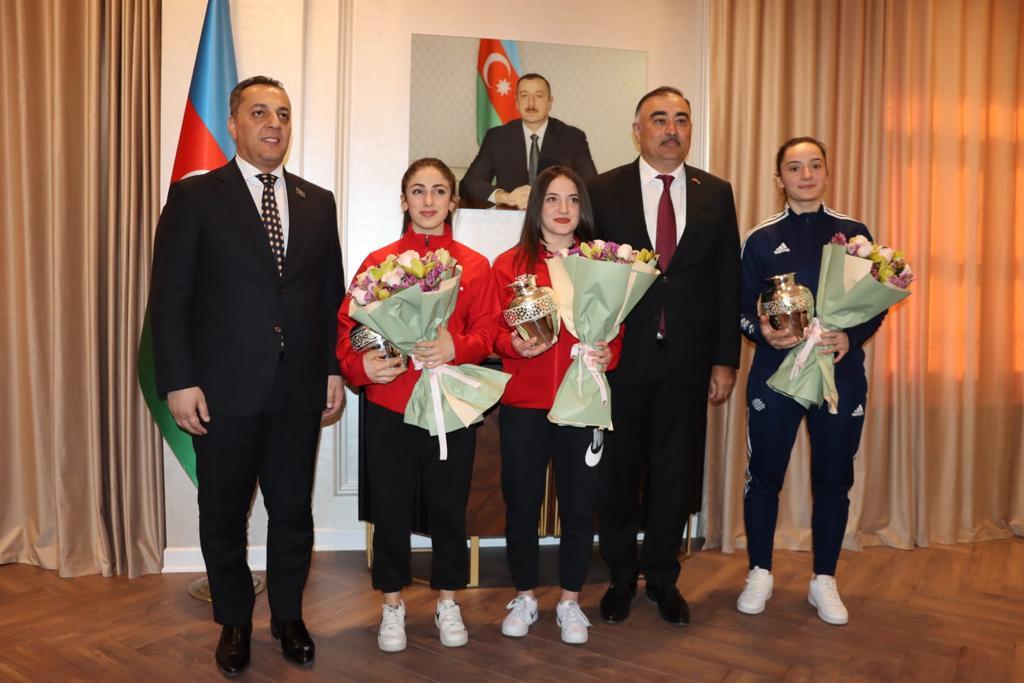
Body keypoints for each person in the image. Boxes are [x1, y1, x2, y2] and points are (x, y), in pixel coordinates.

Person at [149, 75, 344, 676]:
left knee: (292, 512)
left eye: (282, 114)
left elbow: (329, 297)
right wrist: (178, 380)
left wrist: (333, 368)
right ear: (233, 125)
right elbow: (169, 297)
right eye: (259, 113)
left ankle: (289, 618)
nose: (273, 124)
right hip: (222, 389)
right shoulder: (195, 197)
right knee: (222, 513)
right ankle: (234, 621)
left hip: (298, 388)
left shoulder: (318, 202)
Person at [587, 86, 740, 626]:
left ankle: (663, 578)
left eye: (681, 119)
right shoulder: (602, 190)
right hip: (621, 357)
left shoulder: (715, 192)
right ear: (637, 131)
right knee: (619, 472)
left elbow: (728, 279)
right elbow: (587, 272)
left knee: (675, 472)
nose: (671, 129)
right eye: (659, 119)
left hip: (688, 361)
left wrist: (725, 359)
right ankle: (620, 577)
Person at [336, 158, 499, 653]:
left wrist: (457, 346)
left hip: (450, 404)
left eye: (439, 191)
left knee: (449, 507)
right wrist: (363, 368)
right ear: (404, 201)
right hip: (391, 404)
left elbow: (490, 332)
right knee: (390, 509)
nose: (428, 201)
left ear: (453, 201)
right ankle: (392, 605)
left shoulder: (475, 265)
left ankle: (448, 599)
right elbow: (348, 332)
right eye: (418, 191)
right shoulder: (379, 262)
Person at [736, 137, 885, 626]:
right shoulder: (760, 238)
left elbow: (876, 301)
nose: (805, 175)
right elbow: (740, 307)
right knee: (764, 476)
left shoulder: (854, 234)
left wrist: (852, 337)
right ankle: (760, 572)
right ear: (778, 177)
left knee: (834, 480)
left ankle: (824, 579)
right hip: (775, 377)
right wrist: (761, 332)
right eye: (794, 167)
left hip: (838, 374)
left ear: (827, 172)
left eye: (814, 165)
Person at [491, 166, 619, 645]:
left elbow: (615, 329)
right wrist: (510, 344)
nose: (563, 209)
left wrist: (609, 354)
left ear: (583, 208)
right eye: (552, 199)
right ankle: (525, 595)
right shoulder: (509, 265)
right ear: (536, 207)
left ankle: (570, 600)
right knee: (521, 505)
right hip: (524, 404)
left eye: (572, 199)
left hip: (582, 402)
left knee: (580, 507)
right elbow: (492, 329)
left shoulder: (601, 263)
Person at [459, 73, 598, 209]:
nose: (531, 103)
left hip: (555, 216)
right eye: (524, 96)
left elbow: (591, 186)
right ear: (516, 102)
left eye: (539, 96)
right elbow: (468, 184)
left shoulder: (573, 138)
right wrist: (505, 197)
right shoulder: (496, 137)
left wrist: (548, 198)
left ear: (550, 102)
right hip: (510, 216)